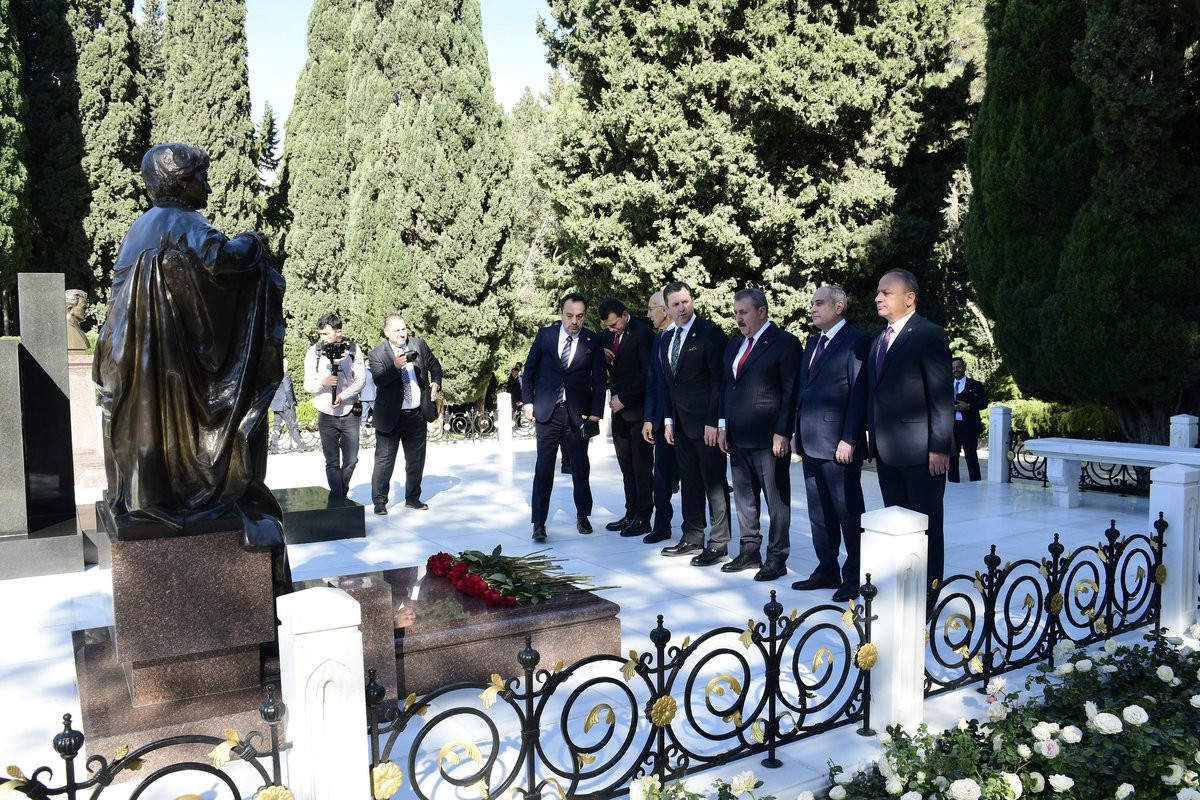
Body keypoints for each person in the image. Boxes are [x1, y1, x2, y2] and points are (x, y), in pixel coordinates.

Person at [92, 142, 288, 591]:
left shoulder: (141, 225)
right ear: (181, 183)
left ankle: (151, 490)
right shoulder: (183, 222)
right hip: (165, 364)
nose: (208, 186)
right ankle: (192, 488)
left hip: (123, 355)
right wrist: (255, 242)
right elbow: (224, 260)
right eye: (202, 177)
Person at [866, 269, 954, 587]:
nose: (878, 297)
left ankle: (928, 592)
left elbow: (941, 395)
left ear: (909, 298)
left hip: (921, 452)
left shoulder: (929, 334)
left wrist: (939, 447)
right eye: (878, 292)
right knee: (898, 525)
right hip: (887, 451)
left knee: (926, 527)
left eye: (886, 292)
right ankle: (904, 588)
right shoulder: (879, 339)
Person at [792, 286, 870, 602]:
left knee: (847, 512)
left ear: (839, 307)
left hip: (839, 444)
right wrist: (795, 431)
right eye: (812, 303)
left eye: (819, 303)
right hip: (810, 440)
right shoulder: (813, 343)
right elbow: (803, 391)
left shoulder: (857, 341)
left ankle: (855, 574)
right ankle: (826, 568)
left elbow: (858, 395)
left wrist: (849, 438)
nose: (813, 308)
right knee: (819, 513)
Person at [717, 288, 800, 581]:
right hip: (738, 436)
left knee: (776, 501)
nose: (738, 318)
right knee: (744, 498)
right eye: (735, 313)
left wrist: (783, 431)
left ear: (761, 311)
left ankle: (777, 557)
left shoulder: (784, 342)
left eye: (744, 312)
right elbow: (727, 388)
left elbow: (790, 391)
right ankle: (749, 551)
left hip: (769, 438)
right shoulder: (734, 345)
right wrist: (723, 425)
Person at [523, 293, 607, 541]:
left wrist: (596, 413)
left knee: (580, 467)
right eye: (569, 316)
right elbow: (529, 372)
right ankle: (539, 523)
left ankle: (583, 515)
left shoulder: (592, 339)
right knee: (543, 469)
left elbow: (599, 379)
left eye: (579, 316)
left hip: (577, 415)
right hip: (547, 414)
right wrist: (528, 403)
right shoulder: (546, 336)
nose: (574, 321)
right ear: (561, 313)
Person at [658, 281, 731, 565]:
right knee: (689, 481)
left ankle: (719, 543)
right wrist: (668, 420)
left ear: (692, 301)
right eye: (675, 304)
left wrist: (715, 421)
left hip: (706, 424)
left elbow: (718, 381)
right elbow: (668, 384)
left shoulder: (710, 333)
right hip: (679, 424)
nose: (682, 308)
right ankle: (692, 536)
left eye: (685, 301)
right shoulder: (666, 338)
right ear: (667, 308)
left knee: (714, 483)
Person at [368, 315, 442, 514]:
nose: (402, 334)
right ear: (386, 333)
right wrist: (395, 366)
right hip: (390, 416)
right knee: (384, 461)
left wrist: (436, 382)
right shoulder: (377, 353)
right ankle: (380, 502)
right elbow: (379, 380)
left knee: (416, 460)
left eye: (404, 329)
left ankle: (413, 498)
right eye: (397, 330)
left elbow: (435, 365)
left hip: (417, 414)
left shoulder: (419, 345)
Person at [599, 298, 655, 537]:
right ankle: (630, 512)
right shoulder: (606, 336)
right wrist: (601, 356)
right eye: (608, 326)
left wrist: (625, 398)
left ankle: (644, 516)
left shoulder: (642, 333)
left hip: (638, 411)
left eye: (614, 324)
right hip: (619, 413)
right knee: (626, 467)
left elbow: (648, 373)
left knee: (641, 467)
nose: (612, 329)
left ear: (624, 314)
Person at [304, 313, 366, 505]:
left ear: (338, 332)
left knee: (351, 460)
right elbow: (308, 384)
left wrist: (342, 396)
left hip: (349, 411)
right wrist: (323, 382)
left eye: (326, 334)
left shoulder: (353, 349)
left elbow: (361, 380)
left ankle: (339, 494)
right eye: (320, 334)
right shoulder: (314, 352)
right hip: (325, 412)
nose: (322, 338)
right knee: (332, 461)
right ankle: (339, 500)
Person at [640, 290, 677, 544]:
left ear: (665, 310)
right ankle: (662, 525)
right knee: (661, 475)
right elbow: (652, 382)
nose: (648, 314)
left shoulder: (684, 335)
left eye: (652, 308)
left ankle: (698, 532)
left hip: (688, 418)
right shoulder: (659, 339)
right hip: (662, 419)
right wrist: (649, 419)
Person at [949, 356, 988, 483]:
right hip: (951, 427)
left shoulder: (975, 385)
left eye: (958, 367)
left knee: (971, 457)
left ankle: (975, 483)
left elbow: (984, 403)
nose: (956, 370)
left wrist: (968, 406)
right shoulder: (945, 385)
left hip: (969, 427)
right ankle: (953, 484)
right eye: (953, 368)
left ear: (964, 368)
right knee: (952, 458)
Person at [270, 358, 305, 451]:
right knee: (293, 425)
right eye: (286, 365)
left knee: (277, 426)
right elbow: (288, 390)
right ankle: (301, 445)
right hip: (285, 405)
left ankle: (273, 446)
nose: (287, 367)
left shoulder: (274, 376)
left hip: (276, 405)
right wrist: (291, 403)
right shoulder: (285, 376)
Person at [359, 365, 377, 434]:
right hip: (372, 396)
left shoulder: (362, 372)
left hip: (364, 396)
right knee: (377, 412)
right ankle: (375, 427)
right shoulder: (372, 372)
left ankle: (363, 427)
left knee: (364, 413)